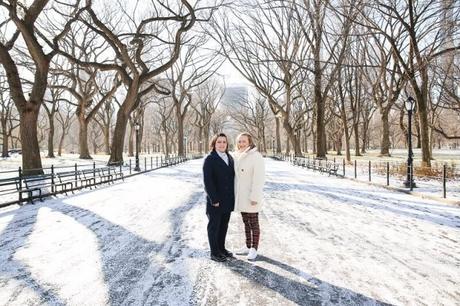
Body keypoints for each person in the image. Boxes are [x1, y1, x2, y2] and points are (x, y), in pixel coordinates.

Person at [203, 133, 235, 262]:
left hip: (227, 200)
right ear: (214, 144)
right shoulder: (210, 159)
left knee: (224, 226)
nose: (222, 144)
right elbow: (207, 181)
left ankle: (222, 249)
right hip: (215, 201)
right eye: (219, 142)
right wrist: (214, 199)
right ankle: (214, 252)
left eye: (224, 142)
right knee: (214, 226)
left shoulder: (230, 157)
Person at [233, 132, 265, 261]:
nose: (241, 144)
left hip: (251, 196)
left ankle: (254, 248)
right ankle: (247, 245)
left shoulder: (256, 156)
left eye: (244, 141)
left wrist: (255, 196)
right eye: (239, 141)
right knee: (246, 222)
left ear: (250, 142)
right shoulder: (236, 155)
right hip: (241, 196)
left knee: (254, 223)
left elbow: (259, 178)